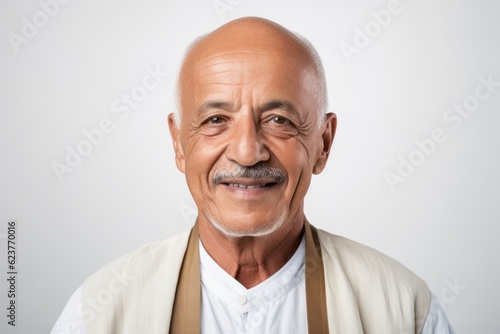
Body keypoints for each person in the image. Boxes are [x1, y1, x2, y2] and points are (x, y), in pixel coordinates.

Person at [52, 17, 455, 333]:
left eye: (278, 120)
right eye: (215, 120)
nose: (247, 151)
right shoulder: (100, 313)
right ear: (178, 143)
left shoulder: (404, 310)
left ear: (323, 143)